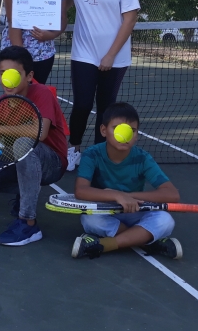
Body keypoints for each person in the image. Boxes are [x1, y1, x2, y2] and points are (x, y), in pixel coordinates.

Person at [0, 46, 68, 246]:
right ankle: (24, 193)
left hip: (52, 163)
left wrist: (3, 131)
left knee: (22, 144)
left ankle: (28, 223)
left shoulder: (42, 93)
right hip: (20, 161)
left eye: (13, 74)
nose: (7, 78)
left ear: (29, 76)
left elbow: (41, 132)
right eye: (3, 73)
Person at [65, 0, 140, 170]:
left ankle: (99, 156)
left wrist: (110, 55)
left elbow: (130, 19)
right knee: (82, 105)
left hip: (115, 57)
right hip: (83, 53)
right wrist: (48, 23)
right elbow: (64, 2)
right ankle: (73, 149)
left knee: (106, 110)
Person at [71, 102, 182, 259]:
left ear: (136, 134)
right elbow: (81, 191)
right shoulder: (92, 154)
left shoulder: (143, 158)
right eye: (117, 129)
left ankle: (104, 245)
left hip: (134, 211)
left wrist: (128, 196)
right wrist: (117, 196)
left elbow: (172, 194)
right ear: (103, 130)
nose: (125, 135)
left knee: (165, 220)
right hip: (104, 211)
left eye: (132, 130)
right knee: (90, 220)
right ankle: (147, 240)